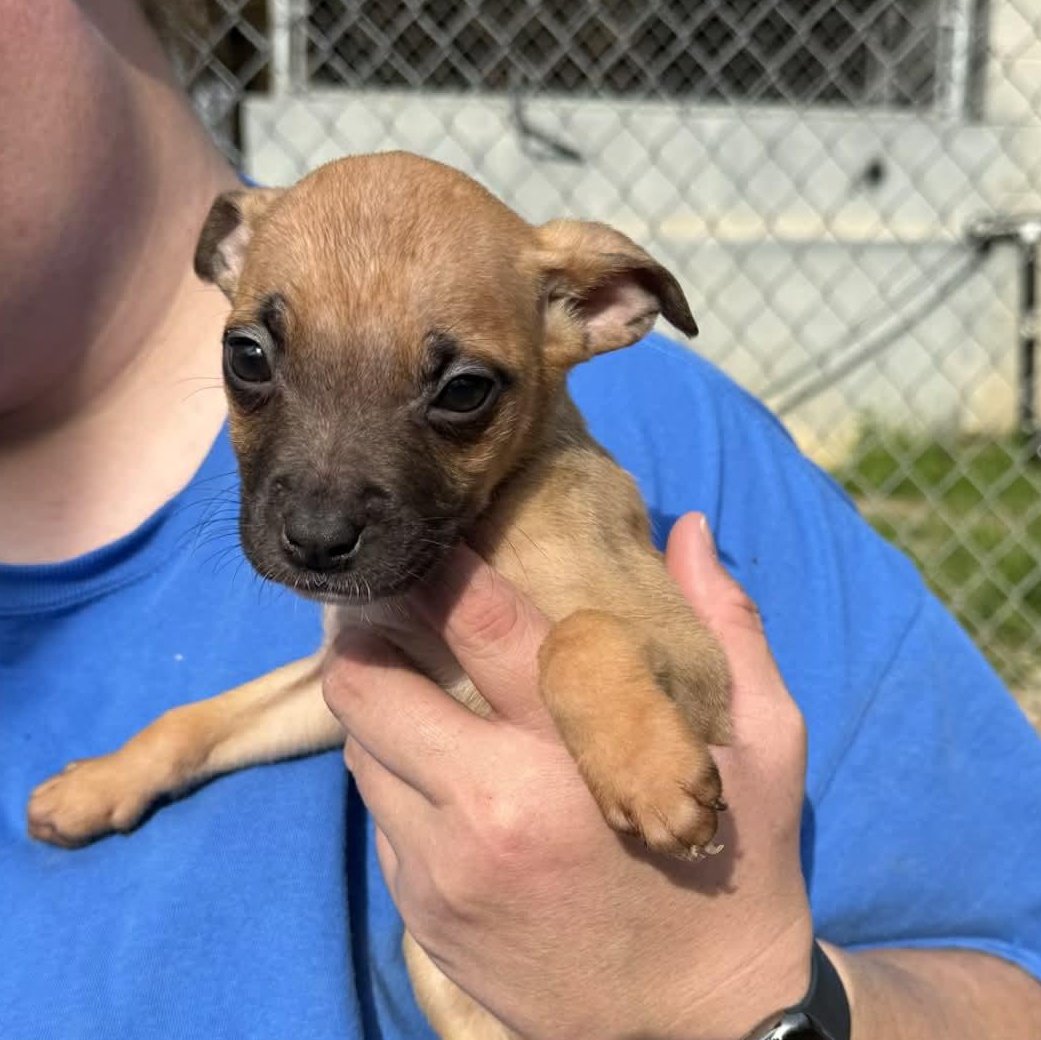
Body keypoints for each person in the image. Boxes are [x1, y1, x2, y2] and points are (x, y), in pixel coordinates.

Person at [2, 2, 1040, 1038]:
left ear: (588, 310)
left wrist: (732, 995)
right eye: (256, 363)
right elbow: (358, 686)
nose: (317, 515)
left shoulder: (630, 475)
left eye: (457, 395)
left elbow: (680, 663)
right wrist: (162, 751)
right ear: (233, 255)